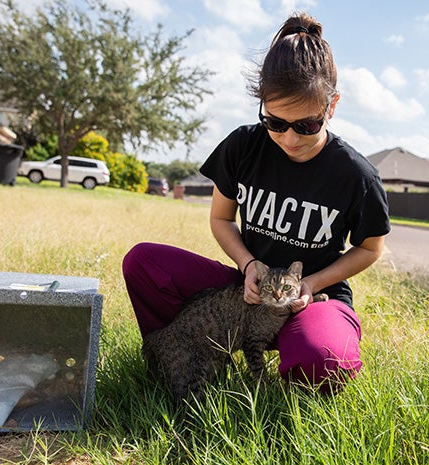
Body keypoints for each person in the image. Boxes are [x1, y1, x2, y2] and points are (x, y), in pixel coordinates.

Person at [122, 12, 390, 392]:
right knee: (144, 262)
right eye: (276, 122)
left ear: (332, 107)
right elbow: (221, 219)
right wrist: (248, 265)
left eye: (307, 125)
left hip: (311, 300)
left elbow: (371, 248)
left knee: (323, 358)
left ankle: (294, 358)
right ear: (262, 105)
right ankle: (180, 360)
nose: (289, 139)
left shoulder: (356, 175)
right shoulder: (243, 146)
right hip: (246, 290)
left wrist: (311, 283)